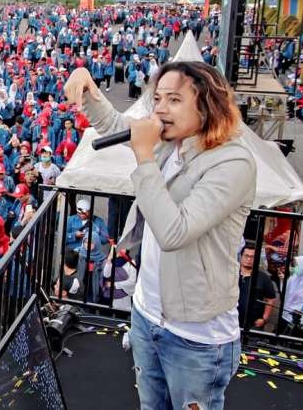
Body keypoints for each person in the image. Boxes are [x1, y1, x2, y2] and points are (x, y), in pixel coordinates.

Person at [66, 61, 255, 410]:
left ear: (207, 104)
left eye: (173, 100)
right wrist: (87, 88)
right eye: (158, 99)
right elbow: (115, 123)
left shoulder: (233, 163)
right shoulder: (173, 141)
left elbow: (174, 231)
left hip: (196, 336)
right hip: (147, 315)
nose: (160, 109)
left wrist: (143, 155)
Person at [237, 241, 277, 330]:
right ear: (241, 256)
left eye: (252, 257)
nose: (249, 259)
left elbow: (271, 299)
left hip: (253, 325)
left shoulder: (263, 277)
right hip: (230, 323)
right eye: (246, 256)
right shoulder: (233, 274)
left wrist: (264, 318)